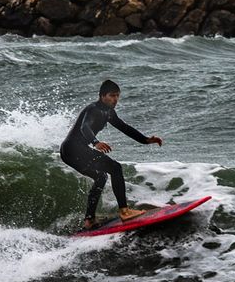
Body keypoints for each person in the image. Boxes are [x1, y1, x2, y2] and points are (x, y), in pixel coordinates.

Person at [60, 80, 163, 230]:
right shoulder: (93, 109)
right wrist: (95, 142)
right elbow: (85, 127)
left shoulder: (109, 112)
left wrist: (145, 140)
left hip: (69, 152)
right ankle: (125, 211)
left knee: (101, 176)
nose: (115, 99)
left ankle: (89, 220)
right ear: (102, 96)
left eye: (117, 96)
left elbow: (124, 128)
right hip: (73, 149)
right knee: (115, 168)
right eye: (112, 95)